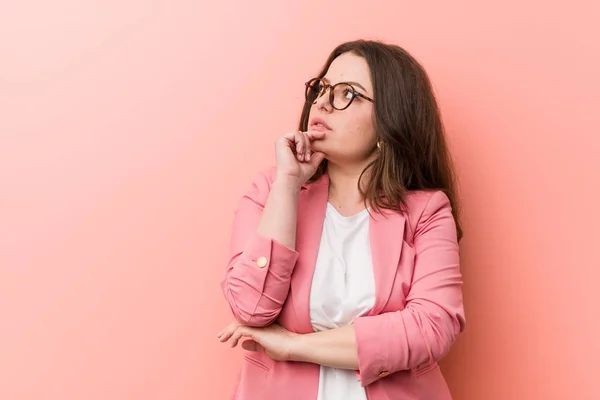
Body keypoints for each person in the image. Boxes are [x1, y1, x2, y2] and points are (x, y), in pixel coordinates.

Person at [217, 39, 466, 400]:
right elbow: (250, 308)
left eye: (346, 93)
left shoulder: (426, 210)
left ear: (389, 120)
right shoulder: (270, 190)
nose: (321, 102)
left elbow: (432, 326)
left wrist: (292, 346)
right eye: (322, 89)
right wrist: (288, 184)